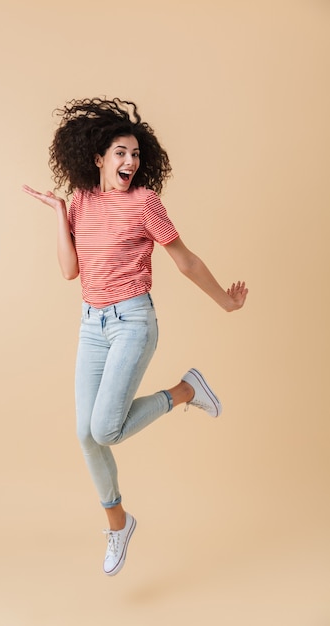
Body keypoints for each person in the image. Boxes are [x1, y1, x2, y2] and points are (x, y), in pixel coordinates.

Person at [22, 97, 248, 577]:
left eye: (135, 154)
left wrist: (225, 301)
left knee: (106, 429)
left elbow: (184, 260)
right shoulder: (81, 201)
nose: (130, 162)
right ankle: (118, 523)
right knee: (86, 434)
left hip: (132, 323)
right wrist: (59, 212)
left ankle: (185, 390)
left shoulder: (145, 202)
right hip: (92, 324)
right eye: (120, 153)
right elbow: (69, 271)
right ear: (98, 158)